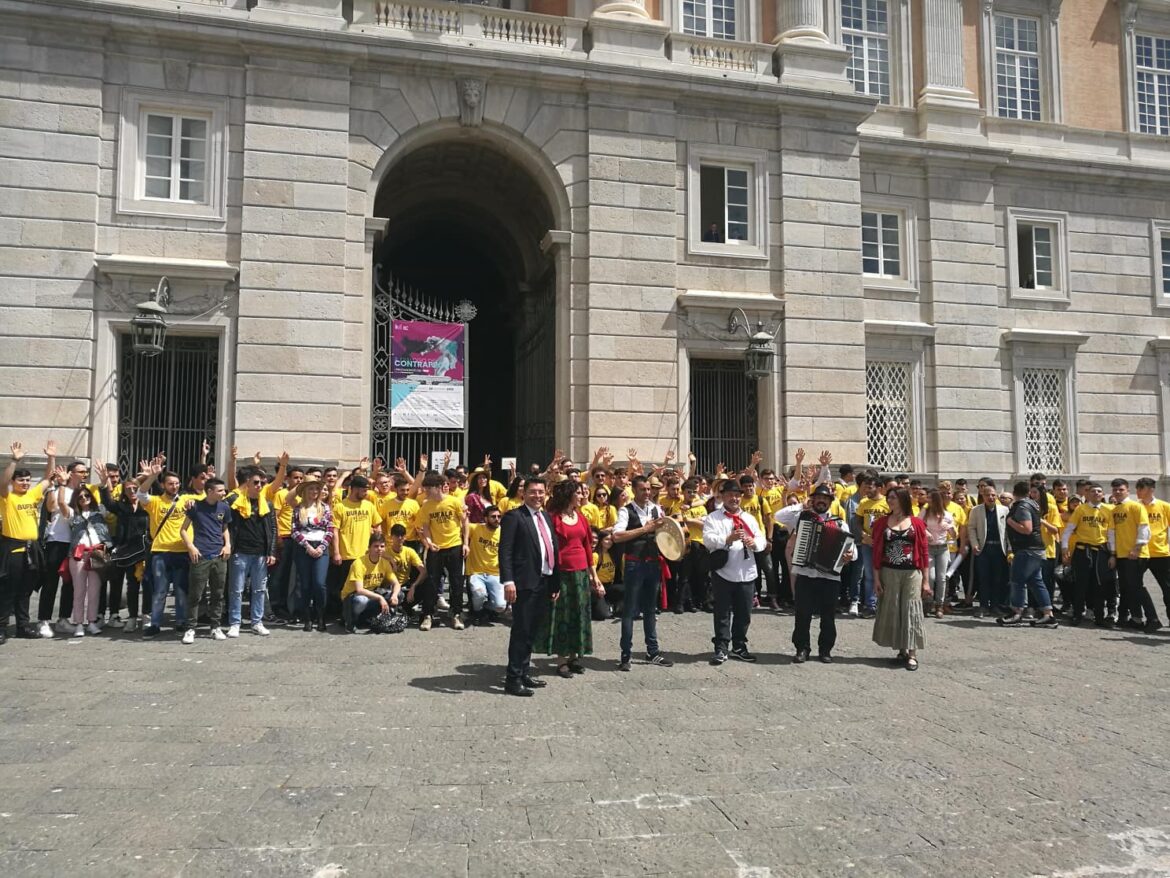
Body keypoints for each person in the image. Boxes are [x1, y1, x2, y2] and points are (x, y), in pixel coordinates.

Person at [776, 483, 854, 663]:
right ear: (813, 500)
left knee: (828, 616)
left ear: (830, 502)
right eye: (818, 498)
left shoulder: (839, 522)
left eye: (825, 499)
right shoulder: (801, 517)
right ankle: (802, 649)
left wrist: (849, 554)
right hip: (805, 574)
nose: (821, 501)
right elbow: (778, 515)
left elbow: (852, 550)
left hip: (829, 577)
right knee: (802, 614)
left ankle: (825, 650)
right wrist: (801, 505)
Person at [537, 479, 602, 679]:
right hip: (562, 572)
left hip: (581, 573)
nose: (582, 496)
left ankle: (575, 656)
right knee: (562, 617)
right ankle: (561, 660)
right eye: (579, 493)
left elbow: (587, 548)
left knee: (579, 615)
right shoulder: (553, 518)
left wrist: (595, 577)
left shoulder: (581, 517)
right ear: (569, 495)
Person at [500, 477, 556, 697]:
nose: (537, 496)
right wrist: (508, 581)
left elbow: (551, 547)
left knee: (532, 630)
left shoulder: (546, 517)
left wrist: (554, 580)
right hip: (523, 583)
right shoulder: (515, 517)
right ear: (523, 494)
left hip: (543, 580)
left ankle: (523, 671)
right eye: (533, 492)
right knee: (521, 631)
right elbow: (505, 552)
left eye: (541, 492)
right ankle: (513, 679)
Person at [612, 475, 674, 672]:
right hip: (634, 565)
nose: (647, 493)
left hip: (653, 564)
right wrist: (644, 529)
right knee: (629, 611)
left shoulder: (657, 509)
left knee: (650, 610)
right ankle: (625, 655)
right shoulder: (625, 511)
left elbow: (667, 535)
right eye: (643, 490)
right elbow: (617, 536)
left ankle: (652, 652)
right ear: (634, 490)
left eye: (649, 489)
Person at [702, 480, 766, 664]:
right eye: (730, 495)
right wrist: (727, 539)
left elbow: (760, 538)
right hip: (723, 572)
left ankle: (739, 645)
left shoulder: (749, 518)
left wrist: (755, 544)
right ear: (722, 496)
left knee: (744, 613)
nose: (734, 498)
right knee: (722, 612)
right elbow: (708, 539)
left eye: (737, 495)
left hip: (746, 572)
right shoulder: (714, 517)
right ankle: (721, 647)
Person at [0, 441, 56, 642]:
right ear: (14, 481)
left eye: (27, 480)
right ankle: (2, 628)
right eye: (21, 480)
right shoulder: (7, 497)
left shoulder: (32, 494)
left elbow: (48, 479)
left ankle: (23, 626)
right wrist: (14, 460)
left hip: (32, 550)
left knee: (25, 591)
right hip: (13, 548)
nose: (25, 483)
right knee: (8, 590)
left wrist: (51, 457)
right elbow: (3, 482)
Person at [871, 487, 930, 670]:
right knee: (894, 608)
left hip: (912, 572)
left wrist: (926, 581)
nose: (890, 501)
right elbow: (876, 553)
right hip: (889, 571)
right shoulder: (881, 523)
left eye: (894, 498)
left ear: (903, 499)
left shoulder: (917, 523)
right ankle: (902, 648)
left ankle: (912, 654)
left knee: (911, 608)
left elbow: (924, 552)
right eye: (889, 498)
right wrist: (876, 579)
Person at [138, 462, 198, 638]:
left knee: (181, 590)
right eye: (170, 483)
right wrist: (152, 476)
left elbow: (205, 500)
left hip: (182, 551)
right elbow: (141, 494)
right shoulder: (155, 502)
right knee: (160, 590)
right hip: (160, 551)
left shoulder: (187, 500)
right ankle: (155, 624)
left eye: (177, 483)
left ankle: (181, 622)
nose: (174, 486)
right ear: (164, 485)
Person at [40, 458, 96, 635]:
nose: (85, 474)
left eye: (86, 471)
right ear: (71, 473)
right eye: (81, 471)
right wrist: (60, 484)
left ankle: (63, 619)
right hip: (58, 540)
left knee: (70, 583)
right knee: (50, 581)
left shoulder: (84, 493)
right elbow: (51, 507)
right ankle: (44, 620)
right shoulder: (59, 490)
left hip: (76, 544)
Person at [98, 461, 149, 633]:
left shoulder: (148, 505)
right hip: (128, 550)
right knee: (132, 586)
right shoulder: (121, 507)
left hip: (145, 550)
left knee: (148, 585)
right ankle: (132, 617)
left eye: (135, 488)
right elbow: (107, 501)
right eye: (128, 489)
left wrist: (150, 476)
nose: (132, 491)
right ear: (124, 491)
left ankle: (147, 616)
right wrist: (105, 483)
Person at [998, 481, 1058, 628]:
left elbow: (1027, 529)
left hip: (1027, 549)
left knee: (1017, 580)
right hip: (1036, 549)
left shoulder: (1022, 506)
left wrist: (1010, 522)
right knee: (1036, 581)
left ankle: (1016, 612)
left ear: (1014, 492)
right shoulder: (1033, 504)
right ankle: (1048, 614)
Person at [225, 467, 277, 637]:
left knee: (259, 589)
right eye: (255, 482)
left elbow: (272, 529)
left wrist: (271, 552)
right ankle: (235, 622)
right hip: (240, 551)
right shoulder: (236, 501)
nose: (259, 486)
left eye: (262, 483)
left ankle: (257, 621)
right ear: (247, 483)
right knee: (236, 589)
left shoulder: (267, 504)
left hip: (261, 553)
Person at [413, 471, 468, 631]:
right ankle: (428, 615)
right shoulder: (426, 505)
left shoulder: (454, 501)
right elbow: (425, 526)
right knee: (431, 582)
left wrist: (465, 543)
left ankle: (456, 613)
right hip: (435, 549)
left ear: (438, 487)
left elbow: (464, 523)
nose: (426, 492)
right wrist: (429, 542)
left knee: (457, 582)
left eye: (428, 489)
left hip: (455, 546)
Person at [180, 478, 232, 644]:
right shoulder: (196, 507)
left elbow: (225, 528)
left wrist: (228, 545)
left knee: (218, 593)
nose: (224, 493)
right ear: (210, 491)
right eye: (220, 490)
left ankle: (215, 627)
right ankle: (190, 628)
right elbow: (183, 529)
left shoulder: (224, 507)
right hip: (200, 555)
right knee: (195, 594)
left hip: (219, 556)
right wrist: (190, 546)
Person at [1107, 478, 1160, 632]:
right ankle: (1136, 618)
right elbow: (1112, 533)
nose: (1117, 492)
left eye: (1121, 489)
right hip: (1121, 555)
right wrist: (1113, 554)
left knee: (1137, 587)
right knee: (1127, 588)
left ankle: (1153, 619)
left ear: (1127, 490)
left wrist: (1137, 548)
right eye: (1115, 489)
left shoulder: (1136, 507)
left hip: (1136, 554)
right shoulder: (1114, 510)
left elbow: (1144, 529)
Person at [1061, 483, 1114, 626]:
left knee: (1099, 585)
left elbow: (1111, 533)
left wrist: (1113, 554)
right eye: (1093, 491)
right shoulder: (1081, 509)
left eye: (1099, 491)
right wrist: (1065, 547)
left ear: (1103, 495)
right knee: (1080, 584)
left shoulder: (1108, 510)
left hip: (1100, 551)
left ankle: (1099, 617)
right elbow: (1069, 529)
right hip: (1082, 551)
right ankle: (1077, 615)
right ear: (1088, 494)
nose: (1096, 493)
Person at [64, 486, 113, 637]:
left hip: (97, 553)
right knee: (79, 590)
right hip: (79, 554)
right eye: (80, 497)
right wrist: (61, 485)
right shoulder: (73, 514)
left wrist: (105, 483)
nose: (84, 498)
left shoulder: (99, 512)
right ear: (76, 500)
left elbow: (107, 501)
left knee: (94, 590)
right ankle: (78, 623)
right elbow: (61, 505)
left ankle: (91, 622)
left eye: (87, 496)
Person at [290, 477, 334, 632]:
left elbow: (330, 529)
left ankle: (320, 616)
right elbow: (294, 531)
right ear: (305, 491)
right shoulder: (298, 509)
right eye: (311, 489)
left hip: (321, 547)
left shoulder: (325, 508)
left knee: (319, 583)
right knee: (305, 584)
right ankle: (307, 618)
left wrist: (321, 547)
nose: (314, 492)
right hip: (304, 547)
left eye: (317, 489)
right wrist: (307, 546)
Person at [341, 533, 399, 632]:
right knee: (362, 601)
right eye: (376, 546)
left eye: (382, 546)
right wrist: (380, 597)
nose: (379, 549)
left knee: (399, 595)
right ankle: (350, 620)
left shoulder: (384, 563)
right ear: (369, 548)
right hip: (353, 597)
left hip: (372, 593)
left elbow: (396, 583)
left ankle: (371, 618)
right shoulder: (358, 563)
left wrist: (394, 595)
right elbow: (359, 590)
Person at [966, 482, 1009, 617]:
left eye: (993, 495)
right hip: (983, 548)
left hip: (999, 548)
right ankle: (983, 606)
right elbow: (971, 528)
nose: (990, 497)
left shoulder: (1004, 510)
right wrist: (974, 543)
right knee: (983, 578)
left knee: (998, 578)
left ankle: (995, 605)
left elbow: (1008, 531)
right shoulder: (976, 510)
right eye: (987, 495)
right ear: (982, 496)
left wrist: (1010, 548)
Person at [1137, 477, 1170, 620]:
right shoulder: (1136, 507)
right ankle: (1146, 618)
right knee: (1133, 584)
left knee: (1167, 589)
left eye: (1141, 488)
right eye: (1137, 488)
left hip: (1161, 553)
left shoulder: (1164, 506)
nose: (1137, 491)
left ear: (1151, 489)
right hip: (1141, 553)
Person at [466, 505, 505, 626]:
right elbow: (462, 526)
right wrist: (464, 515)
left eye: (499, 516)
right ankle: (477, 612)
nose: (497, 519)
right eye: (493, 517)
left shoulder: (504, 532)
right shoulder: (476, 528)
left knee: (500, 606)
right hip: (476, 572)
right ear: (485, 518)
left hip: (495, 573)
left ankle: (487, 608)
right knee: (479, 593)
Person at [919, 489, 955, 619]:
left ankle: (940, 605)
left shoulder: (947, 514)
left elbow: (954, 535)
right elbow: (918, 525)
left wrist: (949, 528)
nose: (927, 500)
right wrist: (926, 532)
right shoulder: (925, 512)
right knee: (931, 577)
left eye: (930, 498)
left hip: (942, 548)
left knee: (942, 577)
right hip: (928, 547)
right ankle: (929, 603)